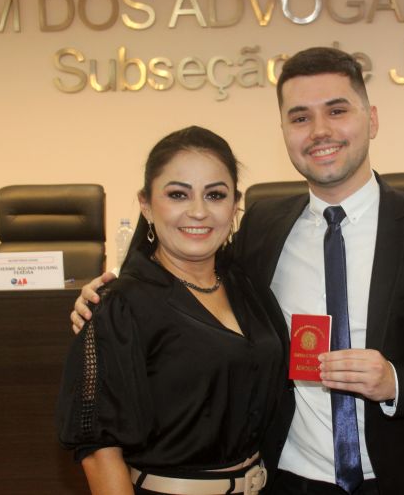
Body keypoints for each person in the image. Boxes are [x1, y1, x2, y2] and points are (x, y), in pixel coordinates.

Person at [73, 48, 404, 495]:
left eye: (337, 111)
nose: (320, 131)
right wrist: (108, 299)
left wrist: (395, 381)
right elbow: (190, 281)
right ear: (284, 132)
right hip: (288, 481)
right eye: (300, 117)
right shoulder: (263, 226)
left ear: (372, 119)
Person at [57, 126, 283, 495]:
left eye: (215, 195)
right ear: (146, 204)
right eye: (178, 194)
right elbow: (99, 451)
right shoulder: (121, 305)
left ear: (234, 205)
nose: (198, 211)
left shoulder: (247, 285)